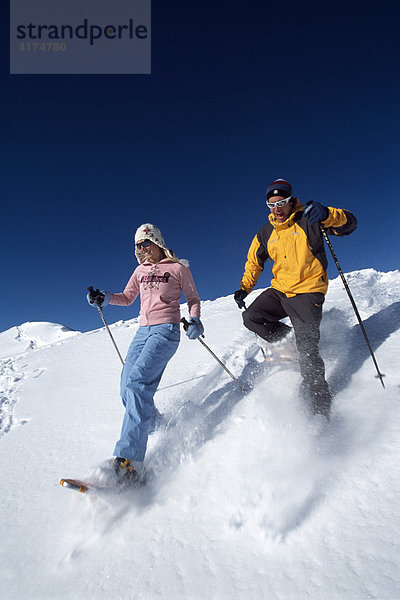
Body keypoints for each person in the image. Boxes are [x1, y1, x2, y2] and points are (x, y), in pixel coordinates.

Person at [87, 223, 203, 485]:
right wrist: (103, 297)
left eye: (144, 244)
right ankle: (156, 427)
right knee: (126, 387)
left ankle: (130, 463)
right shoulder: (140, 271)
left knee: (138, 383)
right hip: (142, 332)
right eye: (137, 246)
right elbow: (127, 298)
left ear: (157, 242)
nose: (140, 250)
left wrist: (195, 320)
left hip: (166, 330)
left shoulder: (177, 268)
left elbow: (193, 299)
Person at [234, 178, 357, 417]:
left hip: (308, 291)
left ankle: (319, 406)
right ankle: (288, 341)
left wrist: (329, 215)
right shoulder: (266, 232)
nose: (277, 209)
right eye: (271, 204)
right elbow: (254, 262)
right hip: (280, 291)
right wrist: (244, 288)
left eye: (282, 202)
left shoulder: (310, 218)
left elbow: (349, 224)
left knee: (308, 350)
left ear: (291, 201)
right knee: (251, 317)